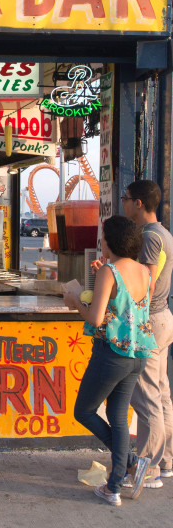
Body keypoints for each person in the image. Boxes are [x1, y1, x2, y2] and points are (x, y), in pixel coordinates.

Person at [64, 215, 156, 506]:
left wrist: (75, 299)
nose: (101, 242)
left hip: (112, 353)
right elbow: (130, 307)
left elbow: (95, 317)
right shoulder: (144, 271)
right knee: (117, 417)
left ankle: (128, 463)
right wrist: (103, 274)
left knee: (84, 411)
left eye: (103, 238)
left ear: (111, 241)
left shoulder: (109, 271)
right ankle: (115, 485)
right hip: (137, 354)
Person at [121, 180, 173, 487]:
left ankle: (149, 468)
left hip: (150, 320)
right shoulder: (163, 233)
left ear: (139, 203)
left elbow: (147, 283)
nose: (124, 204)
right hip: (161, 318)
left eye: (127, 199)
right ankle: (165, 461)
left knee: (147, 397)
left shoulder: (151, 237)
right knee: (161, 393)